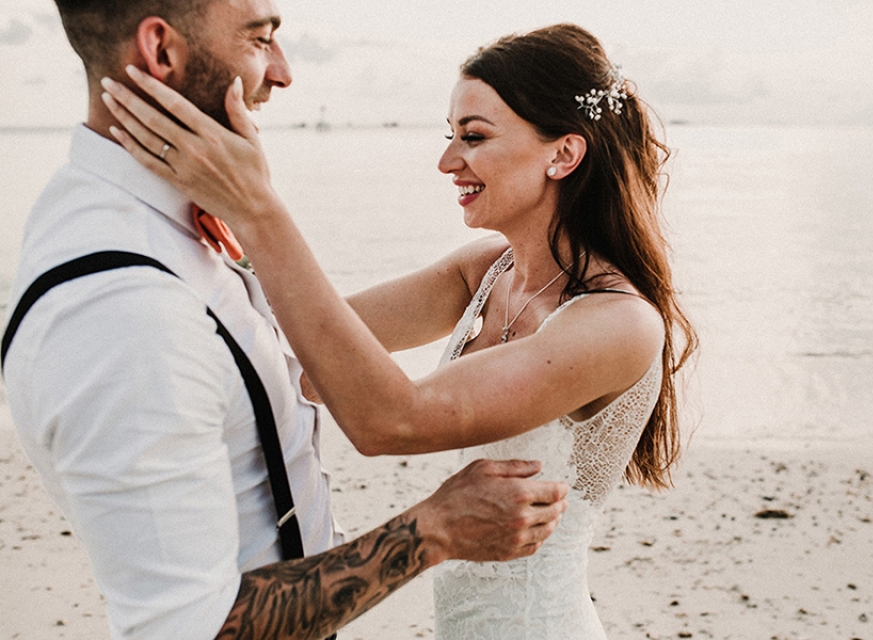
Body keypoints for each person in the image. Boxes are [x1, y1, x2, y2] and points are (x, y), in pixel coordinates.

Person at [102, 22, 698, 638]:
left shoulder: (618, 324)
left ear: (563, 154)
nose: (447, 161)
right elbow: (303, 341)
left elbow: (391, 419)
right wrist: (208, 216)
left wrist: (259, 207)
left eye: (473, 136)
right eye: (450, 136)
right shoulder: (487, 272)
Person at [0, 2, 570, 640]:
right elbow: (192, 628)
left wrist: (253, 211)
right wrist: (433, 530)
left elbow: (313, 359)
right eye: (260, 39)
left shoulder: (171, 233)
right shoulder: (124, 309)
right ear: (161, 51)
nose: (283, 73)